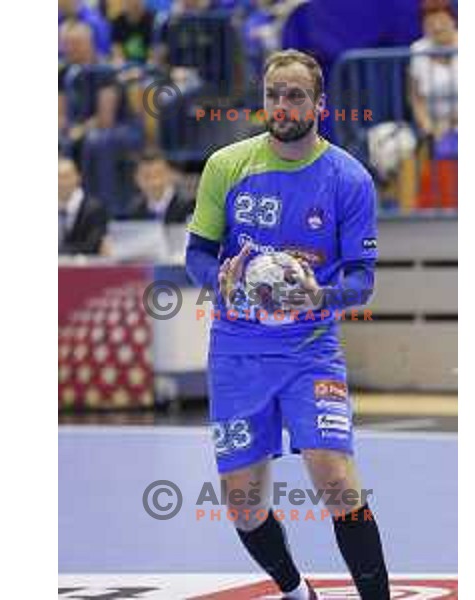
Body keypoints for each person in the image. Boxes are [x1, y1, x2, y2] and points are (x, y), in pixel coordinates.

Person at [185, 50, 390, 599]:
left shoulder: (348, 178)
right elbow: (197, 255)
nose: (282, 105)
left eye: (295, 95)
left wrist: (318, 293)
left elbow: (362, 280)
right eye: (274, 94)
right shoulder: (227, 166)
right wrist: (219, 278)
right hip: (237, 350)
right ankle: (298, 592)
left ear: (319, 104)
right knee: (243, 503)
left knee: (335, 478)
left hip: (309, 349)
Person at [80, 84, 144, 217]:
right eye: (102, 103)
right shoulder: (91, 134)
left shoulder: (130, 126)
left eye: (110, 103)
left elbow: (136, 141)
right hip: (96, 189)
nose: (106, 107)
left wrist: (107, 132)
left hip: (125, 187)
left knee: (102, 142)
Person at [408, 0, 458, 142]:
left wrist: (450, 124)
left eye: (442, 22)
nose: (437, 28)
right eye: (430, 24)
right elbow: (415, 98)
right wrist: (428, 126)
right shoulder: (417, 49)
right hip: (433, 127)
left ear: (453, 21)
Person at [58, 156, 109, 255]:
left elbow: (92, 245)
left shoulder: (95, 209)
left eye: (65, 176)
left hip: (85, 267)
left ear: (78, 177)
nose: (60, 182)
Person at [126, 151, 194, 223]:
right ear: (137, 179)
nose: (153, 182)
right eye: (146, 177)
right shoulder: (136, 209)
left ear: (170, 175)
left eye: (158, 175)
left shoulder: (188, 205)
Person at [110, 0, 157, 65]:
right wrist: (120, 61)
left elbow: (153, 49)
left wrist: (149, 63)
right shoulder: (118, 21)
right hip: (125, 64)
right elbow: (116, 47)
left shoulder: (152, 20)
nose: (133, 5)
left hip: (146, 64)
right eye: (129, 2)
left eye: (137, 3)